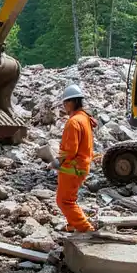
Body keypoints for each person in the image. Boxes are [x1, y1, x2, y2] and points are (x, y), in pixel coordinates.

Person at [50, 85, 98, 232]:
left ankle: (85, 229)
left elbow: (70, 149)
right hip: (82, 166)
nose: (64, 106)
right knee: (69, 197)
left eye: (65, 103)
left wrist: (58, 162)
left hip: (73, 167)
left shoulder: (74, 122)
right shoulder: (85, 118)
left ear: (72, 102)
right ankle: (73, 224)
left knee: (64, 201)